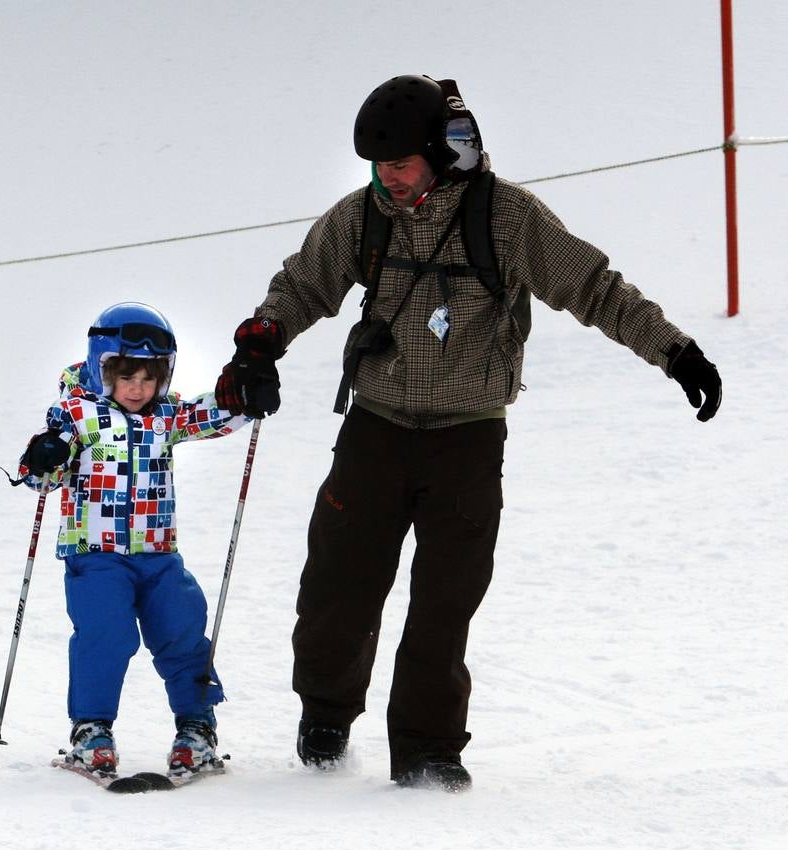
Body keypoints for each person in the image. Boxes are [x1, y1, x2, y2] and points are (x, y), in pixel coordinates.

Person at [215, 74, 722, 792]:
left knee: (445, 598)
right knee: (338, 584)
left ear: (442, 152)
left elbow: (595, 288)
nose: (385, 179)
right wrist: (258, 345)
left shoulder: (507, 218)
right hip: (376, 428)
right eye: (376, 167)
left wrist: (674, 351)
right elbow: (302, 285)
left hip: (467, 438)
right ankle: (325, 714)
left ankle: (427, 747)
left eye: (399, 164)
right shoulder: (361, 218)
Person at [19, 300, 251, 783]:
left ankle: (196, 728)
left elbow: (214, 417)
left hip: (158, 555)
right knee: (107, 635)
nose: (138, 389)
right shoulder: (75, 416)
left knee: (182, 631)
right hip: (95, 555)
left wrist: (245, 395)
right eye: (127, 377)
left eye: (150, 378)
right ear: (102, 369)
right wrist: (42, 459)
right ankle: (92, 731)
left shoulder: (165, 415)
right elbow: (42, 481)